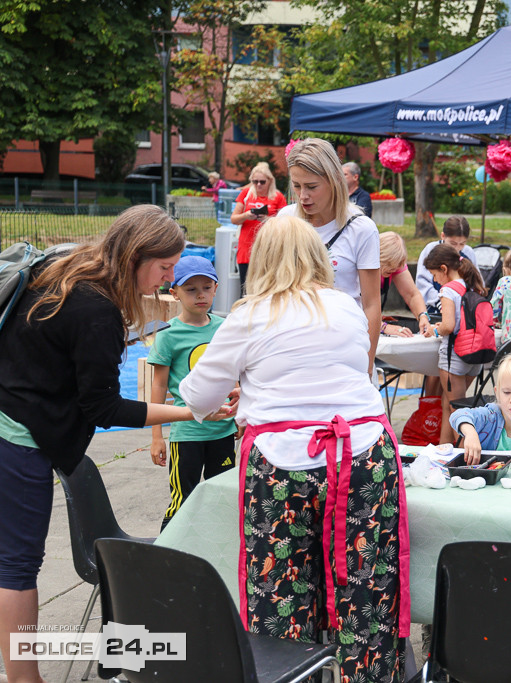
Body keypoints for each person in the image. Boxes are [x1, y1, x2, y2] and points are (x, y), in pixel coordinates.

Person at [0, 205, 236, 683]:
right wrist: (191, 411)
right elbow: (104, 410)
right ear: (134, 256)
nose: (170, 279)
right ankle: (26, 678)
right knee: (18, 567)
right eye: (165, 268)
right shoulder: (99, 310)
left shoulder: (68, 266)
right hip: (19, 440)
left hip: (10, 418)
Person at [178, 216, 409, 681]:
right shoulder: (343, 306)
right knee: (366, 591)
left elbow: (198, 398)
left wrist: (251, 385)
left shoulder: (250, 313)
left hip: (282, 462)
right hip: (363, 453)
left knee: (280, 594)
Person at [148, 256, 237, 531]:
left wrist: (240, 419)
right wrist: (156, 436)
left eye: (207, 288)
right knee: (182, 500)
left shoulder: (224, 329)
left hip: (222, 433)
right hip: (186, 435)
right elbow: (159, 386)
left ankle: (210, 556)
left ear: (216, 288)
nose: (201, 295)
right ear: (174, 293)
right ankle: (168, 554)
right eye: (190, 289)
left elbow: (234, 376)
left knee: (221, 498)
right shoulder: (167, 334)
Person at [282, 138, 381, 373]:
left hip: (344, 350)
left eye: (312, 186)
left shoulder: (361, 229)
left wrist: (366, 366)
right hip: (293, 349)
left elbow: (371, 304)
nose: (302, 195)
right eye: (296, 186)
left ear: (335, 180)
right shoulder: (285, 221)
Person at [422, 243, 487, 445]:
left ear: (443, 269)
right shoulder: (470, 285)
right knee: (449, 404)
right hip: (475, 356)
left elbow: (449, 326)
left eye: (434, 274)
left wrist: (434, 329)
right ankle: (443, 449)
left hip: (454, 357)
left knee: (458, 413)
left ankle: (464, 456)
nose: (434, 280)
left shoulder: (448, 290)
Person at [230, 162, 287, 291]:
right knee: (245, 289)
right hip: (246, 248)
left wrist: (268, 220)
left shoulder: (278, 197)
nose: (258, 185)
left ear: (270, 181)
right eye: (255, 182)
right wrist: (246, 215)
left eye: (262, 182)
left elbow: (285, 223)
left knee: (266, 289)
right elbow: (233, 219)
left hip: (268, 248)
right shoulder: (246, 193)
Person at [416, 215, 478, 315]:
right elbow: (422, 282)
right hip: (435, 309)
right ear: (443, 236)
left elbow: (475, 282)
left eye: (462, 244)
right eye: (453, 243)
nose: (457, 248)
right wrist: (440, 302)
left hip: (462, 309)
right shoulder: (430, 249)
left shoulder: (469, 252)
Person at [379, 231, 430, 337]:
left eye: (396, 267)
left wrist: (423, 316)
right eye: (389, 266)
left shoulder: (395, 265)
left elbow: (412, 295)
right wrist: (383, 327)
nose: (393, 270)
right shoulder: (362, 268)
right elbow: (357, 308)